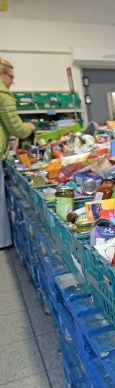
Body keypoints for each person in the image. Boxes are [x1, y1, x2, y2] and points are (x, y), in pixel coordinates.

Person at [0, 58, 35, 248]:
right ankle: (3, 241)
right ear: (1, 74)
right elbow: (16, 129)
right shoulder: (3, 94)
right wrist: (29, 127)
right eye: (11, 76)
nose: (12, 81)